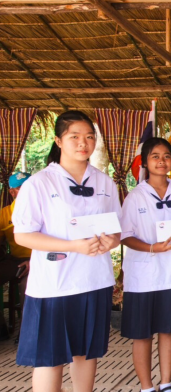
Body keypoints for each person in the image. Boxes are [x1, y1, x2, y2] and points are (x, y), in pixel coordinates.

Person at [13, 111, 122, 392]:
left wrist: (111, 241)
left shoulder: (105, 183)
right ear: (58, 141)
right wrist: (73, 246)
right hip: (54, 284)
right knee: (50, 358)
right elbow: (24, 234)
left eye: (89, 136)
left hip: (94, 281)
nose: (83, 143)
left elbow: (116, 229)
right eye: (74, 136)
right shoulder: (39, 183)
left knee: (86, 351)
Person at [120, 138, 171, 392]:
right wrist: (152, 247)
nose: (162, 161)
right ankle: (146, 386)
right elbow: (125, 235)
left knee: (168, 330)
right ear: (145, 161)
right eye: (155, 156)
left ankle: (166, 383)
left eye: (166, 156)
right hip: (143, 275)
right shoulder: (135, 196)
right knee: (142, 334)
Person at [0, 171, 32, 340]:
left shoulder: (44, 211)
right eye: (22, 188)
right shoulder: (4, 214)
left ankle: (28, 333)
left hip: (40, 260)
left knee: (29, 285)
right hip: (14, 261)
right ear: (12, 192)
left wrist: (33, 261)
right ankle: (2, 328)